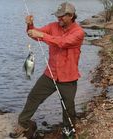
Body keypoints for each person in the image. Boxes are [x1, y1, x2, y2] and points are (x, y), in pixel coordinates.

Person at [10, 2, 84, 138]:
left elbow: (63, 42)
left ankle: (69, 133)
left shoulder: (78, 32)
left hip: (68, 77)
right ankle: (23, 124)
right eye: (58, 16)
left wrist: (43, 36)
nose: (59, 19)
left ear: (71, 16)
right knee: (33, 97)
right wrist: (30, 26)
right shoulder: (52, 26)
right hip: (50, 74)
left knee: (68, 109)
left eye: (62, 16)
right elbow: (34, 34)